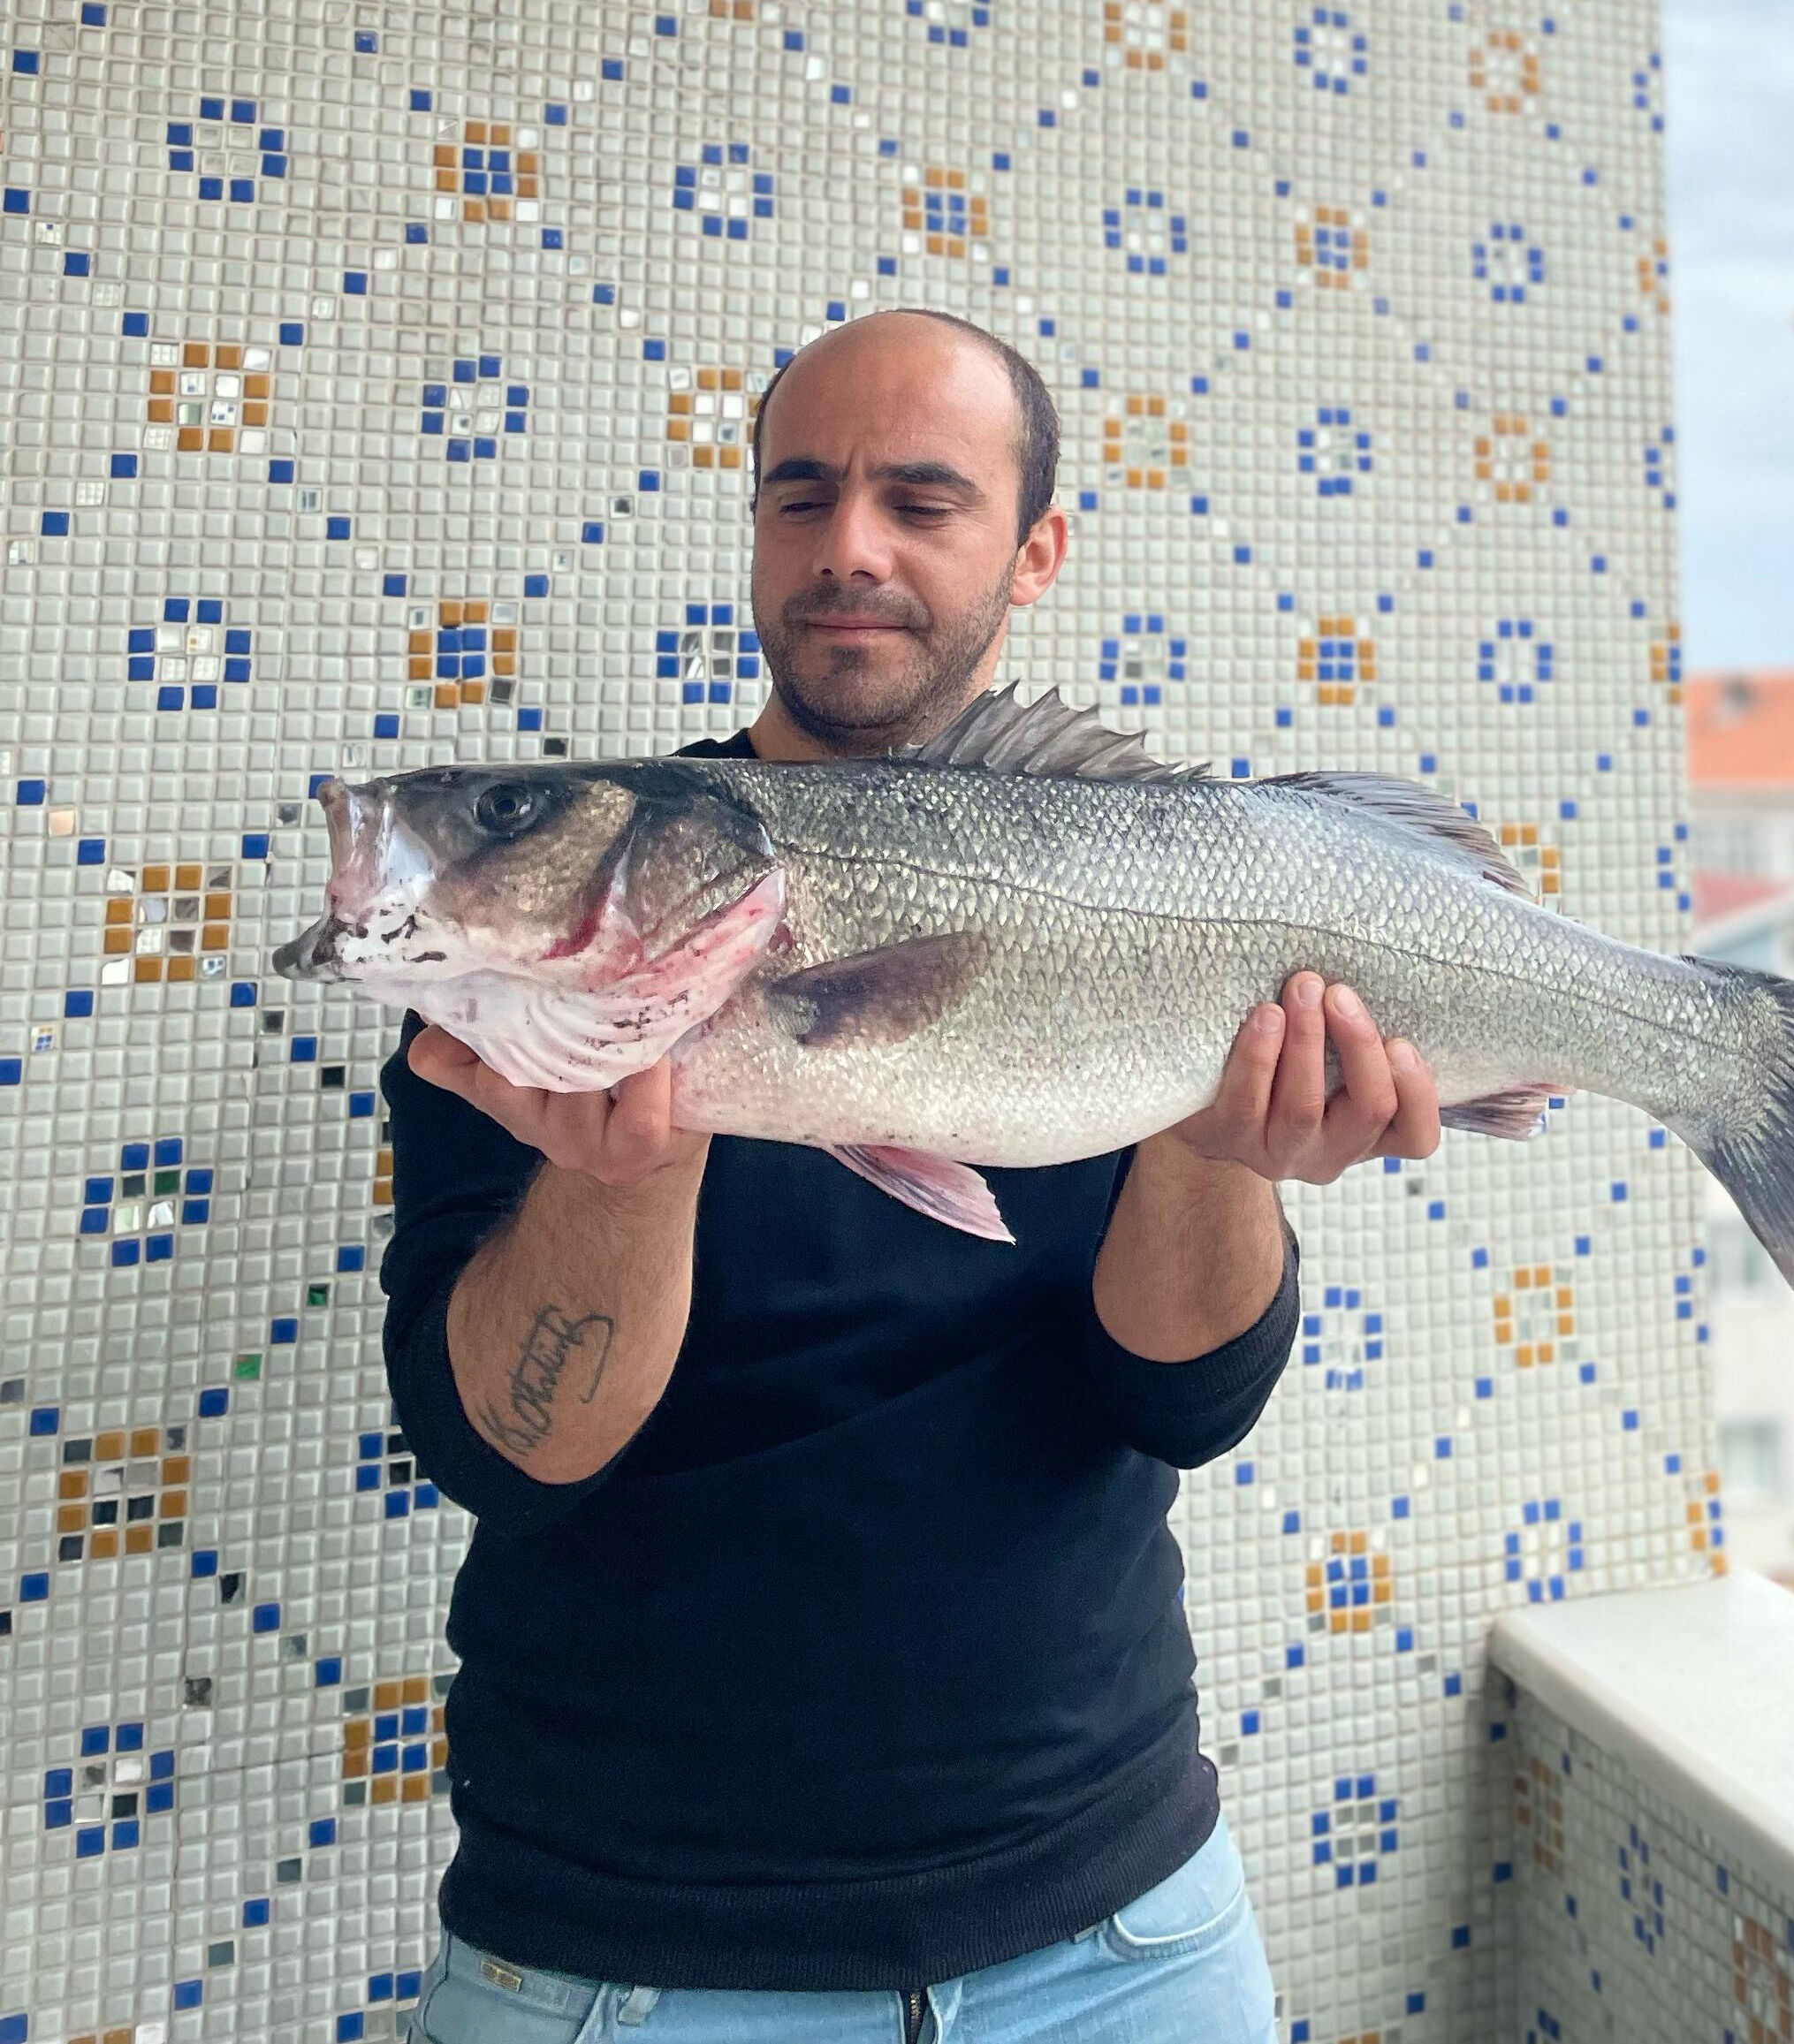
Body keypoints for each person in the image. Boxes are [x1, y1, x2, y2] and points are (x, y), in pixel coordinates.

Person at [384, 307, 1442, 2044]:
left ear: (1037, 550)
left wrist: (1213, 1139)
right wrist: (631, 1174)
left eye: (919, 500)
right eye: (799, 498)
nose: (847, 549)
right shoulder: (566, 927)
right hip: (627, 1966)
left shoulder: (1160, 884)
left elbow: (1177, 1396)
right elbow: (506, 1442)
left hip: (1126, 1935)